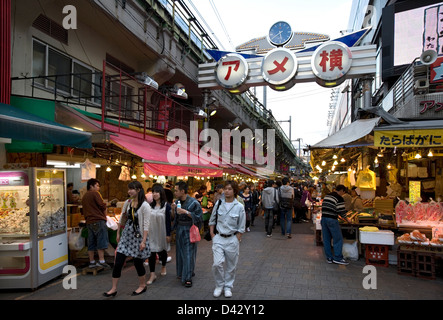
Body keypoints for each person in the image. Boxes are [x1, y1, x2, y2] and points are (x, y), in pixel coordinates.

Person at [104, 181, 151, 297]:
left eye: (132, 189)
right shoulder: (128, 202)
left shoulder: (145, 205)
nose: (129, 191)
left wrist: (144, 241)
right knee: (118, 261)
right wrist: (118, 232)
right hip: (127, 235)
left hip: (138, 236)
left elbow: (146, 224)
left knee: (138, 263)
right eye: (129, 189)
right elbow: (123, 218)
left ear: (139, 190)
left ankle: (142, 285)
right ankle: (113, 288)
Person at [209, 180, 245, 298]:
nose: (227, 191)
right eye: (226, 189)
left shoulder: (239, 206)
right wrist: (212, 235)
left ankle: (228, 286)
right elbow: (212, 220)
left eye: (230, 189)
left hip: (232, 239)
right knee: (217, 263)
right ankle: (219, 285)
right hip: (219, 237)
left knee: (231, 265)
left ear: (234, 191)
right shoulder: (219, 203)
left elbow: (241, 226)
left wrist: (237, 238)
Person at [172, 181, 203, 287]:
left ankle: (188, 277)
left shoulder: (194, 202)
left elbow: (199, 217)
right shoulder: (176, 201)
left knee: (188, 253)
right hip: (180, 228)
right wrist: (173, 210)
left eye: (176, 190)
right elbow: (174, 217)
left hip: (189, 229)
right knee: (180, 252)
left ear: (182, 191)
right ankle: (182, 272)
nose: (175, 192)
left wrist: (186, 212)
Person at [146, 183, 172, 284]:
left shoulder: (166, 206)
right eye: (153, 192)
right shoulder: (149, 206)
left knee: (162, 251)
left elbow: (168, 221)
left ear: (161, 193)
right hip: (152, 232)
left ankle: (163, 266)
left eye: (157, 192)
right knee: (151, 253)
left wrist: (168, 234)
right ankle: (152, 274)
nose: (155, 194)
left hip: (162, 232)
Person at [81, 178, 110, 269]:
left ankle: (92, 262)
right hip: (98, 220)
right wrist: (105, 217)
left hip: (89, 222)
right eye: (97, 185)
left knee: (91, 242)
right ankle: (101, 261)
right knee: (101, 240)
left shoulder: (85, 196)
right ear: (91, 186)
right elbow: (102, 206)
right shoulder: (95, 194)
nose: (98, 188)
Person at [320, 184, 351, 265]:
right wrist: (347, 219)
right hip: (332, 220)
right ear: (341, 191)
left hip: (324, 219)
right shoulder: (339, 198)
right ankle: (338, 257)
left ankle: (329, 257)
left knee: (326, 239)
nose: (343, 194)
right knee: (338, 239)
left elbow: (328, 207)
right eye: (343, 192)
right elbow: (342, 211)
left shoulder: (327, 195)